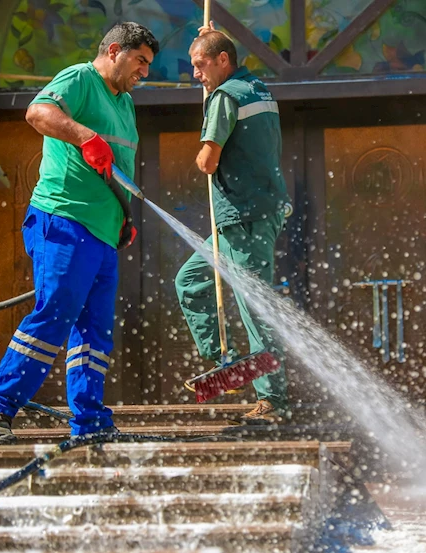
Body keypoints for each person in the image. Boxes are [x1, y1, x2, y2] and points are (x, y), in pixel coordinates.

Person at [0, 22, 159, 444]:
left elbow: (116, 171)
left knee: (93, 335)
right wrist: (84, 135)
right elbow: (38, 113)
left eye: (148, 64)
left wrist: (123, 217)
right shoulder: (79, 78)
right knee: (54, 314)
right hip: (64, 219)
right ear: (113, 50)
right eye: (140, 61)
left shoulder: (123, 103)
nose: (144, 72)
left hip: (102, 234)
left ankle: (90, 422)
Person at [174, 25, 291, 424]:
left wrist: (208, 115)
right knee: (190, 281)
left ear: (223, 60)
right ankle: (226, 360)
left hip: (245, 217)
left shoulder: (224, 97)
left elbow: (208, 161)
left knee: (254, 306)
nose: (196, 74)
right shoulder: (257, 89)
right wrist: (216, 39)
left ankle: (273, 399)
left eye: (200, 64)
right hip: (247, 215)